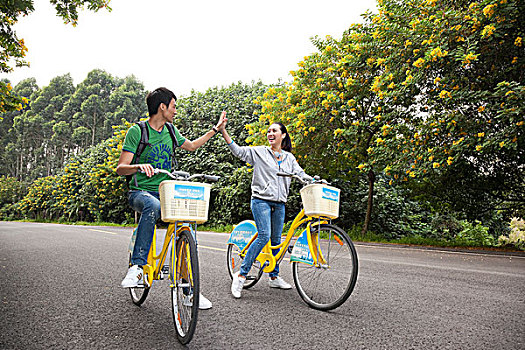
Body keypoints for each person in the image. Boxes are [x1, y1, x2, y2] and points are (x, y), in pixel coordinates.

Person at [116, 87, 226, 310]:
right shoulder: (138, 131)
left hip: (167, 191)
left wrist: (216, 129)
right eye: (174, 106)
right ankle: (137, 268)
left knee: (186, 223)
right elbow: (121, 168)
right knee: (153, 206)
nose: (176, 111)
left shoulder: (171, 131)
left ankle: (188, 289)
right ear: (162, 107)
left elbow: (193, 146)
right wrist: (139, 166)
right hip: (140, 192)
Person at [217, 119, 312, 298]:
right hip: (261, 200)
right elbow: (238, 151)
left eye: (274, 131)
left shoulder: (289, 158)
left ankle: (274, 276)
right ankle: (241, 275)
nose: (270, 133)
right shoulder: (259, 152)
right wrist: (223, 132)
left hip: (280, 203)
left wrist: (314, 180)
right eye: (269, 131)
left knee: (277, 241)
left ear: (283, 135)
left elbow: (300, 173)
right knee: (264, 236)